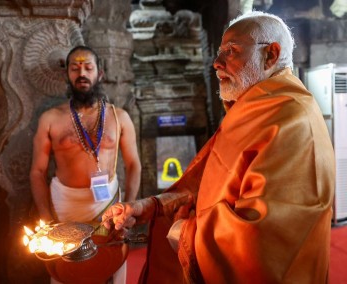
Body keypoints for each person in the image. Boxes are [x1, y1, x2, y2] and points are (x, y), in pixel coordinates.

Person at [102, 11, 335, 284]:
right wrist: (152, 206)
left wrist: (185, 232)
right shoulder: (252, 109)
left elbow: (266, 241)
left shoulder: (293, 120)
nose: (216, 63)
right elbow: (209, 184)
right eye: (219, 51)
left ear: (270, 55)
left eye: (231, 51)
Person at [30, 45, 141, 284]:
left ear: (100, 73)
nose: (82, 73)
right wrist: (46, 218)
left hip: (107, 203)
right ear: (67, 75)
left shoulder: (119, 117)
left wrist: (129, 207)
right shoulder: (50, 119)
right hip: (65, 205)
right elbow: (37, 172)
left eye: (88, 67)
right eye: (75, 68)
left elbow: (134, 165)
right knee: (64, 268)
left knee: (113, 261)